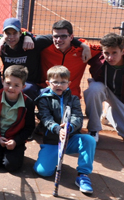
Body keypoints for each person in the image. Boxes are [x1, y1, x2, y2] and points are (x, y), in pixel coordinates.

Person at [33, 65, 95, 194]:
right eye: (55, 82)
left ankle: (83, 175)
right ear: (48, 83)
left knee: (89, 140)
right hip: (53, 141)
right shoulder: (43, 99)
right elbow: (46, 119)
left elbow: (77, 117)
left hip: (70, 139)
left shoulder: (74, 99)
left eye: (63, 82)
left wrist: (70, 127)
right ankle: (52, 156)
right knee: (42, 171)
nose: (59, 85)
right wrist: (57, 129)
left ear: (69, 83)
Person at [0, 65, 35, 172]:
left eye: (16, 85)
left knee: (12, 166)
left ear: (23, 87)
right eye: (8, 83)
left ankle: (15, 151)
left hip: (15, 139)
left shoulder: (28, 103)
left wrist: (16, 141)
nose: (11, 88)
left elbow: (29, 128)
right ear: (2, 81)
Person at [85, 33, 124, 143]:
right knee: (94, 89)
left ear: (123, 51)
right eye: (106, 53)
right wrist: (83, 46)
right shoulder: (98, 58)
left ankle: (108, 112)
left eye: (114, 53)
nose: (110, 57)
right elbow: (80, 42)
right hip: (104, 90)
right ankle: (93, 129)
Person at [39, 20, 99, 98]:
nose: (59, 40)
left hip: (71, 97)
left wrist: (86, 46)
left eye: (63, 36)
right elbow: (22, 33)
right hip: (47, 95)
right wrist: (26, 37)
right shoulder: (45, 49)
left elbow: (108, 48)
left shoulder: (82, 50)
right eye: (56, 36)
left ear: (71, 37)